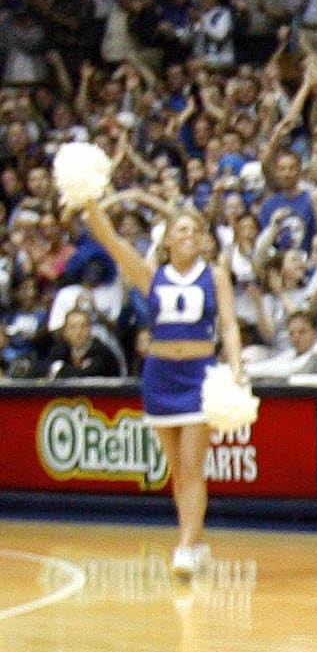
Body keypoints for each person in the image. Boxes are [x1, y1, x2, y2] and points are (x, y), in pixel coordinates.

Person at [79, 193, 245, 581]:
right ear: (167, 239)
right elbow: (112, 241)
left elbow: (229, 324)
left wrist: (236, 368)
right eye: (181, 230)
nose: (189, 235)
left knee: (192, 466)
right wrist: (89, 202)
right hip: (160, 376)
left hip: (199, 376)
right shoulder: (151, 275)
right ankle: (196, 542)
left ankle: (186, 546)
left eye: (195, 230)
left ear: (204, 239)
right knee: (176, 470)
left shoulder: (214, 274)